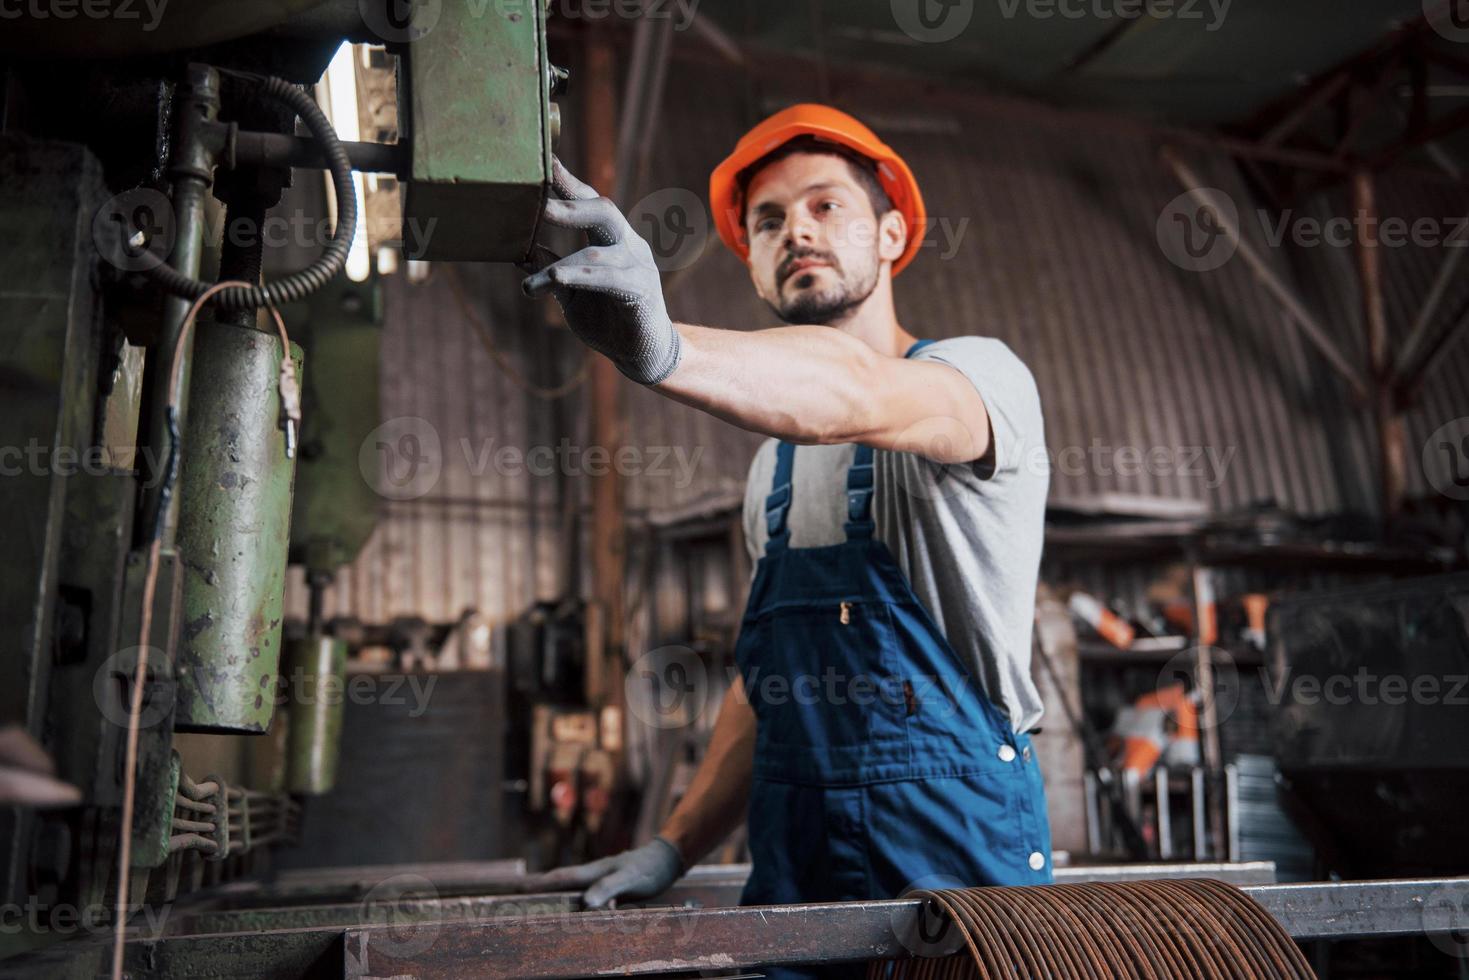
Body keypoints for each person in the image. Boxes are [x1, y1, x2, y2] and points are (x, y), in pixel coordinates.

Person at [523, 105, 1052, 949]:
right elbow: (764, 686)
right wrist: (672, 846)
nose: (794, 231)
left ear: (888, 236)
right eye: (767, 222)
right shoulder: (771, 466)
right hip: (796, 868)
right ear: (755, 264)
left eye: (823, 206)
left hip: (955, 860)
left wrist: (659, 346)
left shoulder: (977, 378)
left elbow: (854, 391)